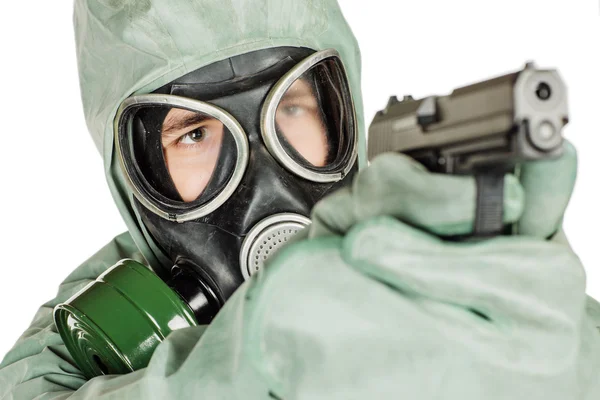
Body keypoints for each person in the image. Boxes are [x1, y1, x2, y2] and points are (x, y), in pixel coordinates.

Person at [1, 0, 599, 399]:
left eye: (292, 107)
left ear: (346, 117)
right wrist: (237, 370)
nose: (265, 178)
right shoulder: (78, 346)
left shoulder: (455, 268)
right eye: (195, 133)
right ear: (133, 177)